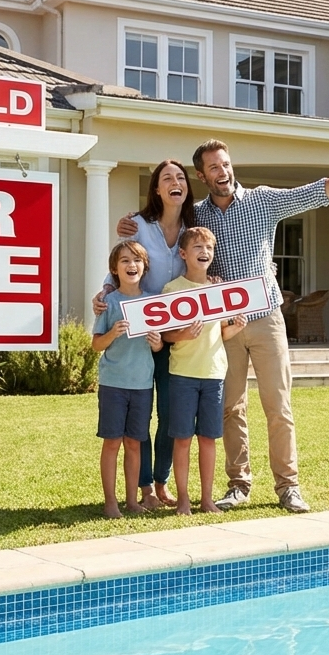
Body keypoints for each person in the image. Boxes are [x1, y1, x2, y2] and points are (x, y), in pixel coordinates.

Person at [119, 140, 329, 513]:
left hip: (268, 318)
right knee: (230, 406)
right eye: (213, 167)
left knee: (278, 405)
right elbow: (164, 232)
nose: (222, 172)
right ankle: (238, 484)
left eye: (225, 164)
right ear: (202, 175)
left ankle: (288, 486)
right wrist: (128, 224)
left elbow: (313, 194)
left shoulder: (263, 200)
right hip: (224, 325)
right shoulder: (197, 216)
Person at [94, 160, 195, 509]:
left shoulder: (194, 227)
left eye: (180, 177)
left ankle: (161, 480)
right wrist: (105, 293)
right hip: (134, 336)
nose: (174, 182)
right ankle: (143, 488)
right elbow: (122, 264)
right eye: (166, 178)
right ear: (156, 188)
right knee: (140, 410)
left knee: (168, 412)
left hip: (171, 333)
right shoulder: (136, 224)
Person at [161, 227, 247, 515]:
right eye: (198, 247)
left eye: (209, 248)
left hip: (213, 374)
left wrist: (236, 328)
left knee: (208, 438)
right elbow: (166, 336)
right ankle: (184, 500)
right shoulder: (172, 290)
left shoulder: (218, 291)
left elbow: (220, 335)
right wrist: (183, 334)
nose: (204, 252)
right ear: (184, 254)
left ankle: (207, 499)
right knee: (183, 438)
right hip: (183, 374)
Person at [92, 240, 163, 518]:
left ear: (144, 267)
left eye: (136, 260)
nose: (131, 265)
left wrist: (157, 343)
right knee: (112, 442)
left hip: (142, 384)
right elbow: (96, 344)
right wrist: (113, 333)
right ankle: (110, 503)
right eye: (124, 261)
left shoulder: (153, 302)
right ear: (115, 269)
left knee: (135, 442)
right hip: (113, 383)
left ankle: (132, 500)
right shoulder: (108, 302)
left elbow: (157, 347)